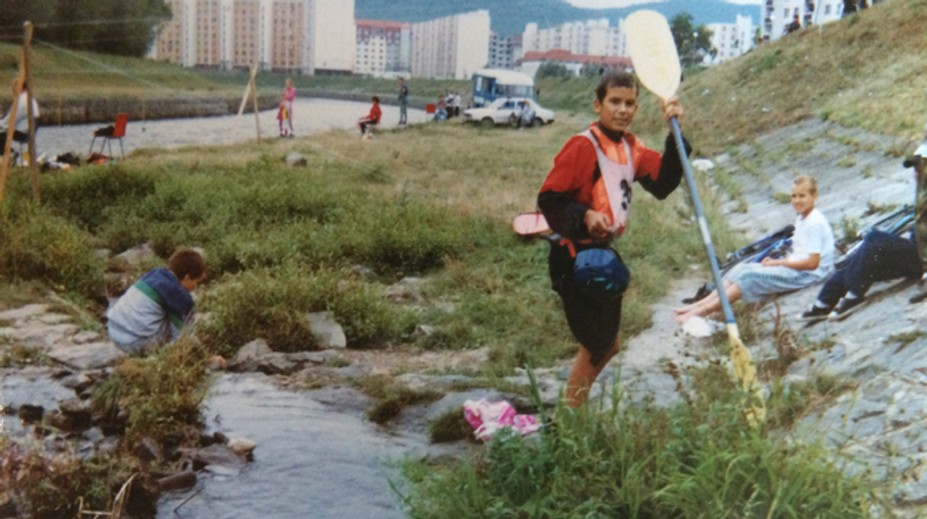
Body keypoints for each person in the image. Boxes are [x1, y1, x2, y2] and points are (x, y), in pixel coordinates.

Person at [537, 70, 688, 407]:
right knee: (600, 345)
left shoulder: (631, 147)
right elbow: (549, 199)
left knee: (607, 343)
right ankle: (571, 415)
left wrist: (674, 134)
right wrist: (585, 215)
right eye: (614, 102)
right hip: (574, 256)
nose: (623, 110)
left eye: (630, 103)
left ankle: (572, 407)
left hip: (601, 257)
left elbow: (662, 184)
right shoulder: (583, 145)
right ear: (598, 105)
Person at [674, 176, 835, 323]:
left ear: (814, 196)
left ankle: (703, 311)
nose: (796, 200)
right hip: (796, 267)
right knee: (740, 269)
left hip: (808, 275)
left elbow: (812, 263)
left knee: (748, 277)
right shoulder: (802, 217)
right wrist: (778, 262)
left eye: (802, 196)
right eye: (794, 196)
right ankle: (700, 305)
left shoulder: (814, 223)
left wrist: (780, 263)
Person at [800, 134, 927, 320]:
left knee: (875, 241)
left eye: (921, 167)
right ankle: (824, 302)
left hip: (922, 261)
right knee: (857, 257)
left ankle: (854, 296)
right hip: (918, 252)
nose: (916, 172)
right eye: (916, 167)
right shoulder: (921, 191)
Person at [106, 248, 207, 357]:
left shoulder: (155, 273)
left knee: (169, 312)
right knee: (178, 324)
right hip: (132, 343)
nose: (195, 287)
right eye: (196, 281)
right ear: (187, 277)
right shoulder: (179, 295)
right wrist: (207, 357)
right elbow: (186, 337)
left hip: (113, 331)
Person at [1, 79, 40, 144]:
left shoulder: (22, 100)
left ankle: (6, 153)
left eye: (14, 86)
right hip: (29, 130)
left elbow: (9, 122)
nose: (12, 88)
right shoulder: (27, 97)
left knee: (2, 130)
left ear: (20, 87)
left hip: (25, 133)